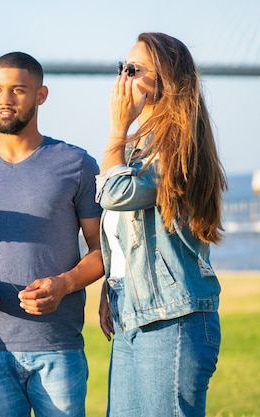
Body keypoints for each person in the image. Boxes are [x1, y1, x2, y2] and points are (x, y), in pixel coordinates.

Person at [0, 52, 104, 417]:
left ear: (41, 96)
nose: (4, 100)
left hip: (58, 348)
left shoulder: (77, 164)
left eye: (17, 90)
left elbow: (104, 250)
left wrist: (64, 284)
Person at [97, 32, 226, 416]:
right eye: (122, 67)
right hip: (132, 311)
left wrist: (117, 128)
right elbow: (123, 230)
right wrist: (113, 286)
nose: (122, 78)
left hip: (173, 317)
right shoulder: (140, 145)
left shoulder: (176, 146)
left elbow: (113, 193)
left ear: (165, 81)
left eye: (133, 70)